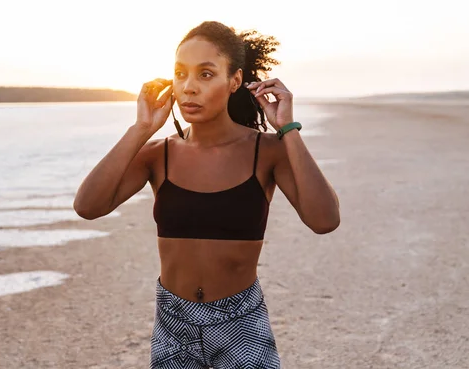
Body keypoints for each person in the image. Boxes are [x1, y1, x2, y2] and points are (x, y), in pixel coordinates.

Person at [73, 21, 340, 369]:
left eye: (205, 74)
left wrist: (288, 130)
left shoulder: (268, 151)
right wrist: (140, 129)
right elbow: (87, 206)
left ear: (233, 81)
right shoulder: (158, 154)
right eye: (180, 74)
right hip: (174, 323)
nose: (188, 88)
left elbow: (325, 220)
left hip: (242, 325)